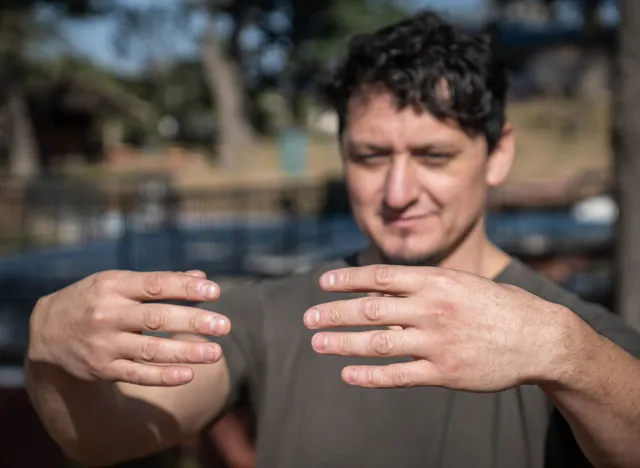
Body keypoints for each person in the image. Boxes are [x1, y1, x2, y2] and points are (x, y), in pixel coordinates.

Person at [25, 11, 640, 468]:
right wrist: (56, 361)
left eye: (433, 155)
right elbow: (105, 438)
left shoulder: (575, 335)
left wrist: (568, 355)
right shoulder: (270, 310)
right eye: (371, 156)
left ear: (497, 152)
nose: (398, 190)